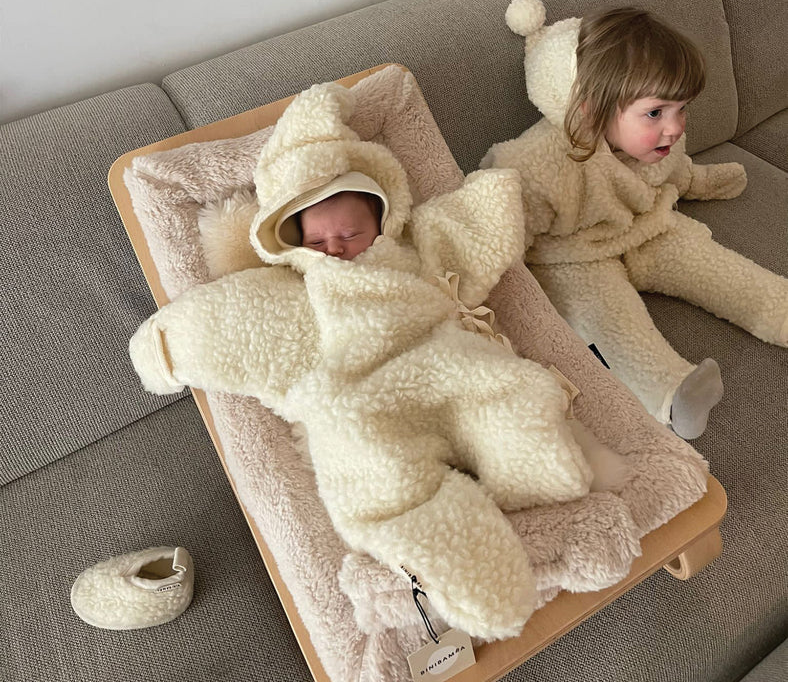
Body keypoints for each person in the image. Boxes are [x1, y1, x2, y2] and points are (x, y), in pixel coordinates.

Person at [129, 80, 627, 642]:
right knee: (370, 460)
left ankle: (532, 481)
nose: (336, 247)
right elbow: (225, 323)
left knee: (510, 397)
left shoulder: (415, 253)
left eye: (350, 232)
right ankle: (448, 541)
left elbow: (478, 220)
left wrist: (509, 193)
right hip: (359, 397)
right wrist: (161, 349)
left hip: (445, 364)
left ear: (382, 221)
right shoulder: (292, 296)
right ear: (291, 244)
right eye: (319, 241)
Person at [483, 0, 788, 440]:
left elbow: (674, 175)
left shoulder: (661, 142)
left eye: (682, 109)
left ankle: (780, 311)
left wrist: (704, 182)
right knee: (610, 323)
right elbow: (502, 225)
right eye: (657, 112)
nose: (677, 126)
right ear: (591, 110)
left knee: (723, 270)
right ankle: (672, 394)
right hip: (573, 260)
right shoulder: (538, 164)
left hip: (650, 230)